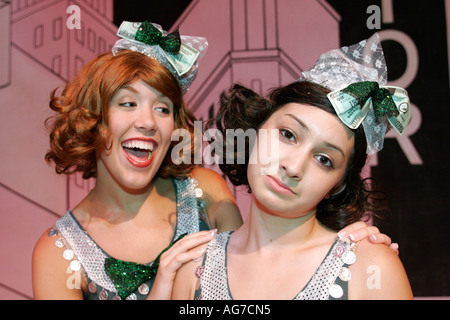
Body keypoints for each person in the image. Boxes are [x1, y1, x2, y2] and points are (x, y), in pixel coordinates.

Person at [32, 21, 396, 300]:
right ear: (92, 117)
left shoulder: (205, 191)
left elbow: (257, 252)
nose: (147, 121)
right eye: (128, 103)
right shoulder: (59, 251)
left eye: (163, 108)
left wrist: (349, 254)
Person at [172, 34, 413, 300]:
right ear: (255, 130)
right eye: (288, 134)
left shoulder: (371, 269)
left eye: (324, 160)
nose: (293, 166)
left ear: (338, 185)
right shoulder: (193, 266)